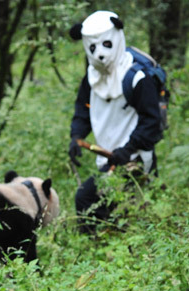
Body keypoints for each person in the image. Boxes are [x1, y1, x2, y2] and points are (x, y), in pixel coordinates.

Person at [68, 10, 163, 232]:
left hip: (135, 160)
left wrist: (128, 149)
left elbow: (151, 122)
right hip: (108, 158)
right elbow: (84, 108)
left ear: (117, 36)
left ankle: (105, 252)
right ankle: (99, 252)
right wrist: (76, 136)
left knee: (97, 202)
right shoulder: (91, 78)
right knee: (102, 207)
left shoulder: (138, 78)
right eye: (93, 47)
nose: (100, 54)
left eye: (105, 45)